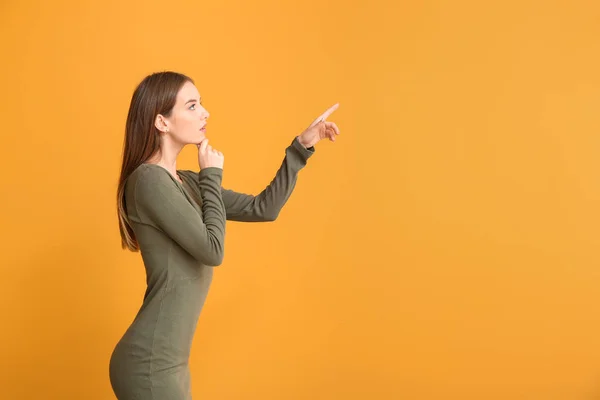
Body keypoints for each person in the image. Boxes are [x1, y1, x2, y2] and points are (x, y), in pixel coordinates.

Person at [109, 71, 340, 400]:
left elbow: (264, 208)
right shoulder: (148, 181)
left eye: (201, 103)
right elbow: (212, 250)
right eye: (192, 105)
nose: (205, 112)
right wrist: (212, 176)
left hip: (170, 364)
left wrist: (301, 148)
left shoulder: (186, 182)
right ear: (161, 122)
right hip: (149, 363)